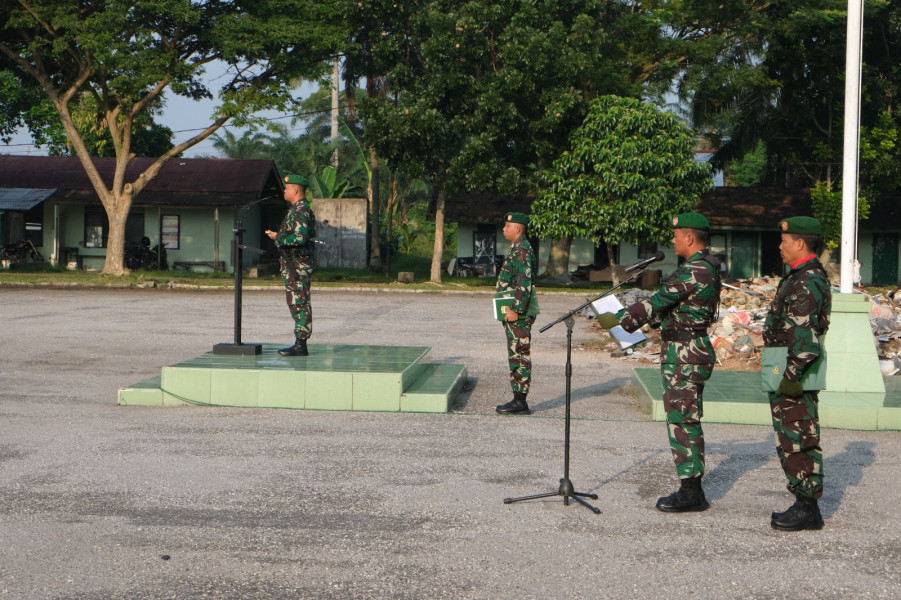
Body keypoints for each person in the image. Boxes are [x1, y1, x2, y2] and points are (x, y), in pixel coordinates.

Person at [597, 212, 721, 512]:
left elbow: (657, 301)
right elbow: (673, 307)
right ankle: (691, 486)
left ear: (689, 238)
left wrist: (619, 320)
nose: (673, 241)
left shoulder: (695, 270)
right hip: (684, 349)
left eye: (676, 236)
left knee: (683, 420)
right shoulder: (701, 267)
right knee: (683, 417)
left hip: (685, 353)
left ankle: (692, 492)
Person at [763, 216, 831, 531]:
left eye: (784, 241)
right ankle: (803, 502)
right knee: (790, 438)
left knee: (800, 437)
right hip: (787, 368)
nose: (780, 246)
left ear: (800, 243)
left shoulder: (807, 280)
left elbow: (806, 339)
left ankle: (808, 508)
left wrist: (791, 377)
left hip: (795, 374)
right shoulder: (799, 277)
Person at [495, 212, 540, 415]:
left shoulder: (522, 249)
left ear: (518, 229)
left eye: (507, 225)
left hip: (519, 313)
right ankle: (517, 398)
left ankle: (520, 401)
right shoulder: (518, 248)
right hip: (514, 311)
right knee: (516, 352)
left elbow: (524, 281)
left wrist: (516, 309)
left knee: (520, 354)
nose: (504, 229)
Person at [266, 174, 316, 357]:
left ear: (295, 190)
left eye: (287, 188)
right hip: (293, 264)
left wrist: (278, 237)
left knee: (299, 302)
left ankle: (301, 345)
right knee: (296, 301)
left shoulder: (301, 211)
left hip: (297, 265)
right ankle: (299, 343)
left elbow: (299, 238)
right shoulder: (296, 210)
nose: (284, 191)